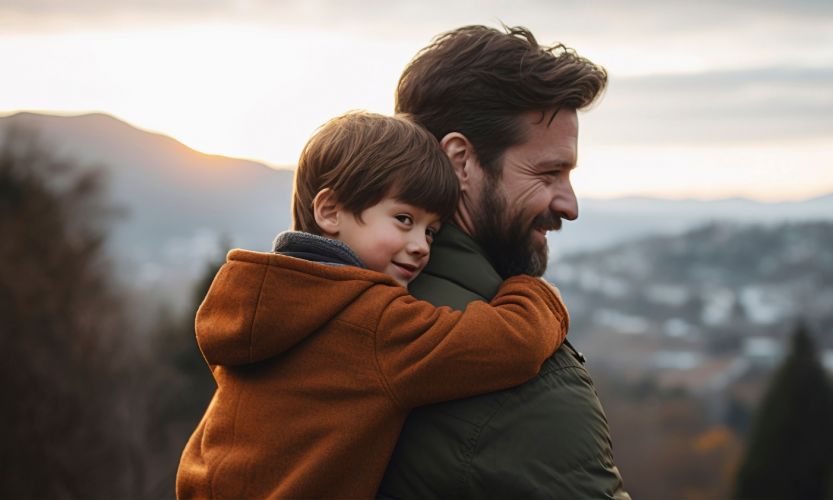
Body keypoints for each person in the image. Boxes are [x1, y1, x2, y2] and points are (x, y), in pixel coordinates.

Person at [176, 111, 571, 498]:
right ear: (330, 211)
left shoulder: (258, 299)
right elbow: (513, 343)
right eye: (403, 218)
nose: (420, 245)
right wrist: (533, 291)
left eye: (432, 231)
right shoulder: (373, 324)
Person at [377, 26, 631, 498]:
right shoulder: (528, 383)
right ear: (461, 161)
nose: (570, 205)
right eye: (549, 173)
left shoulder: (329, 307)